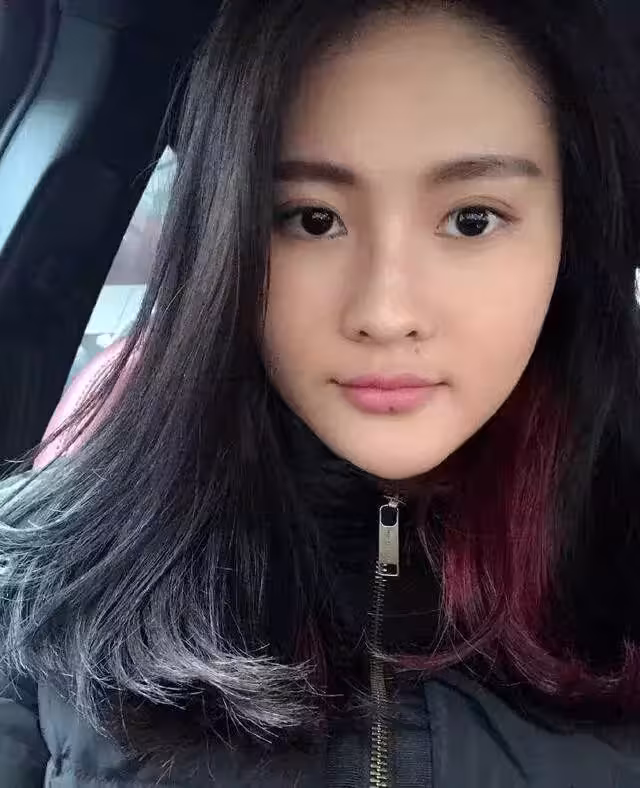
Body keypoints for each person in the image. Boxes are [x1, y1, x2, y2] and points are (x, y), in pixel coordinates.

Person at [1, 0, 640, 785]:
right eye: (311, 219)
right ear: (227, 236)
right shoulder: (46, 576)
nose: (385, 313)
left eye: (472, 220)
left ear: (570, 240)